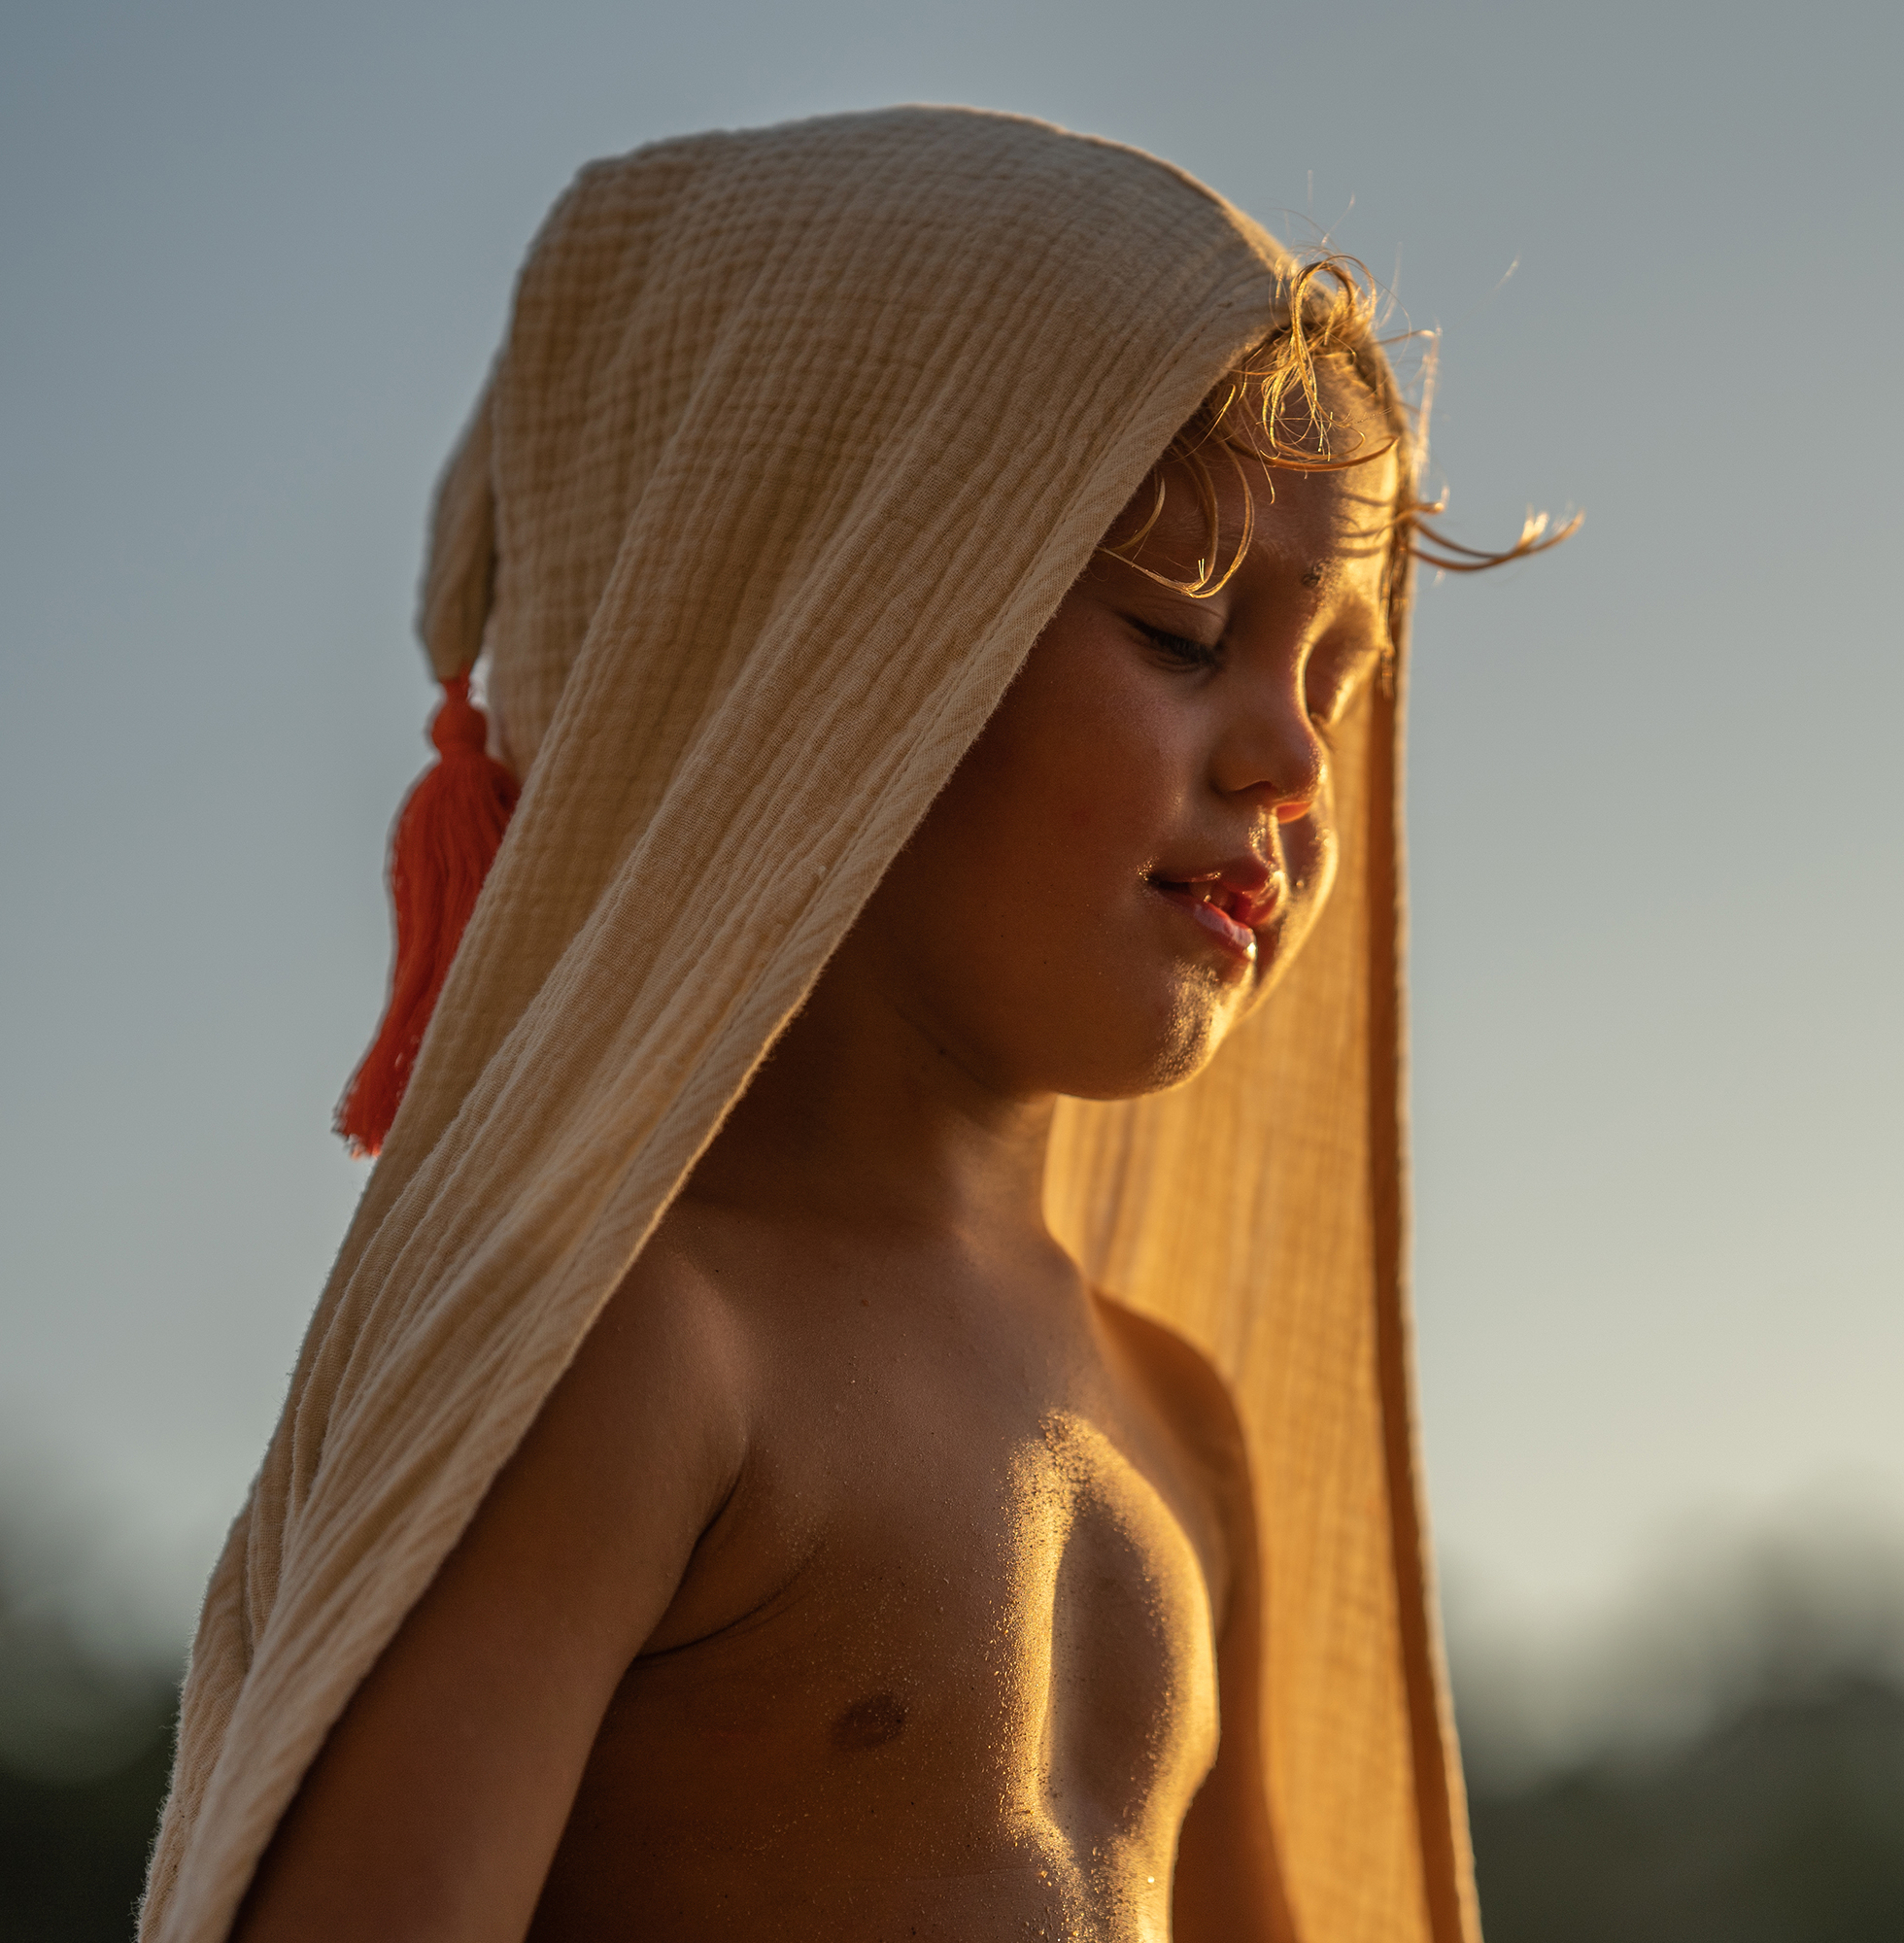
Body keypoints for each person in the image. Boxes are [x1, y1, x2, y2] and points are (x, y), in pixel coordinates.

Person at [140, 106, 1569, 1943]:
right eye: (1181, 630)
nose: (1295, 758)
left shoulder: (1180, 1421)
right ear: (831, 643)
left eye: (1336, 678)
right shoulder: (636, 1357)